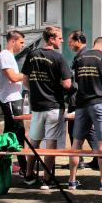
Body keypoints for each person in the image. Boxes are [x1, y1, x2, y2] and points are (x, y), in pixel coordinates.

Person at [22, 26, 72, 189]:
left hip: (36, 106)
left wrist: (37, 90)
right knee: (51, 142)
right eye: (59, 38)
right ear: (51, 39)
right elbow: (67, 84)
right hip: (54, 106)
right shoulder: (59, 58)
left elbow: (25, 82)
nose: (62, 40)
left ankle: (29, 175)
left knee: (34, 140)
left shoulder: (32, 55)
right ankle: (47, 180)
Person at [68, 36, 102, 191]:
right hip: (99, 103)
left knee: (76, 143)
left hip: (81, 104)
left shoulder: (79, 58)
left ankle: (72, 181)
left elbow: (74, 82)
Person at [0, 31, 27, 176]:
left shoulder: (9, 56)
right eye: (21, 42)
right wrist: (27, 75)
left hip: (13, 97)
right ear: (13, 41)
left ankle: (6, 163)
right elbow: (13, 77)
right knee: (19, 131)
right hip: (10, 99)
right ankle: (24, 167)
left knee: (10, 132)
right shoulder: (5, 56)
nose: (23, 45)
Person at [66, 30, 98, 171]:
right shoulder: (82, 55)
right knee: (84, 131)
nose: (69, 44)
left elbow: (77, 82)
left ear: (78, 41)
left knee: (77, 131)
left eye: (70, 41)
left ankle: (95, 158)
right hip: (81, 100)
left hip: (79, 100)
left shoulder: (82, 57)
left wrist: (66, 87)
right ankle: (97, 159)